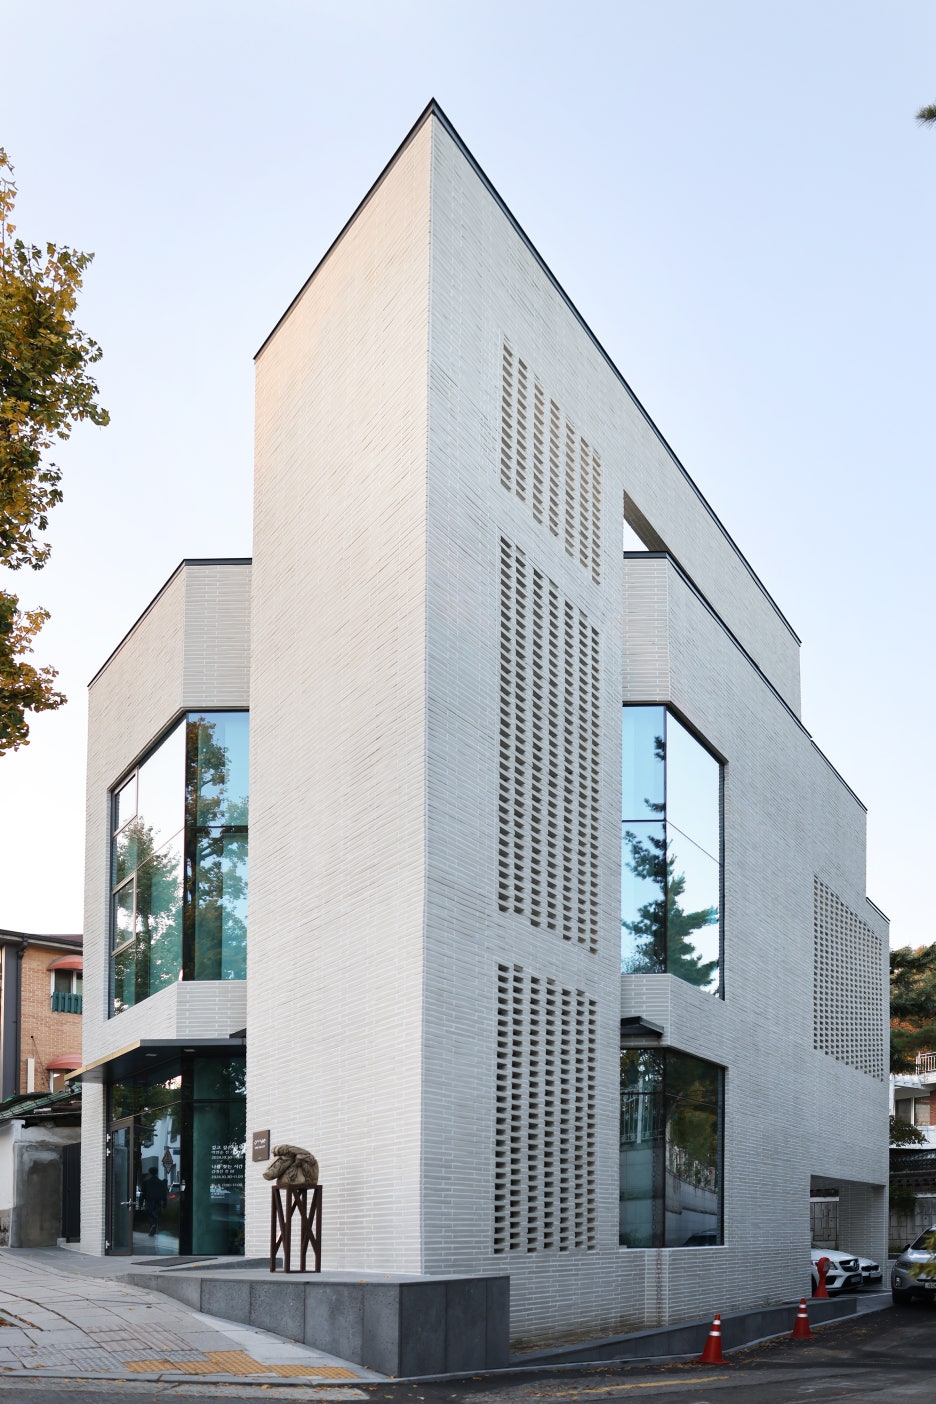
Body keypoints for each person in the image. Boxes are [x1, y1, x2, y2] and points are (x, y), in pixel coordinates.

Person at [140, 1167, 168, 1236]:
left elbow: (143, 1193)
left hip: (149, 1200)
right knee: (155, 1214)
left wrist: (140, 1203)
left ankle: (153, 1226)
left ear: (150, 1172)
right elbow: (164, 1193)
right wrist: (164, 1203)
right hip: (158, 1201)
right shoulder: (161, 1182)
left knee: (150, 1214)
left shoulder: (146, 1182)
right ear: (157, 1172)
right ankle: (154, 1227)